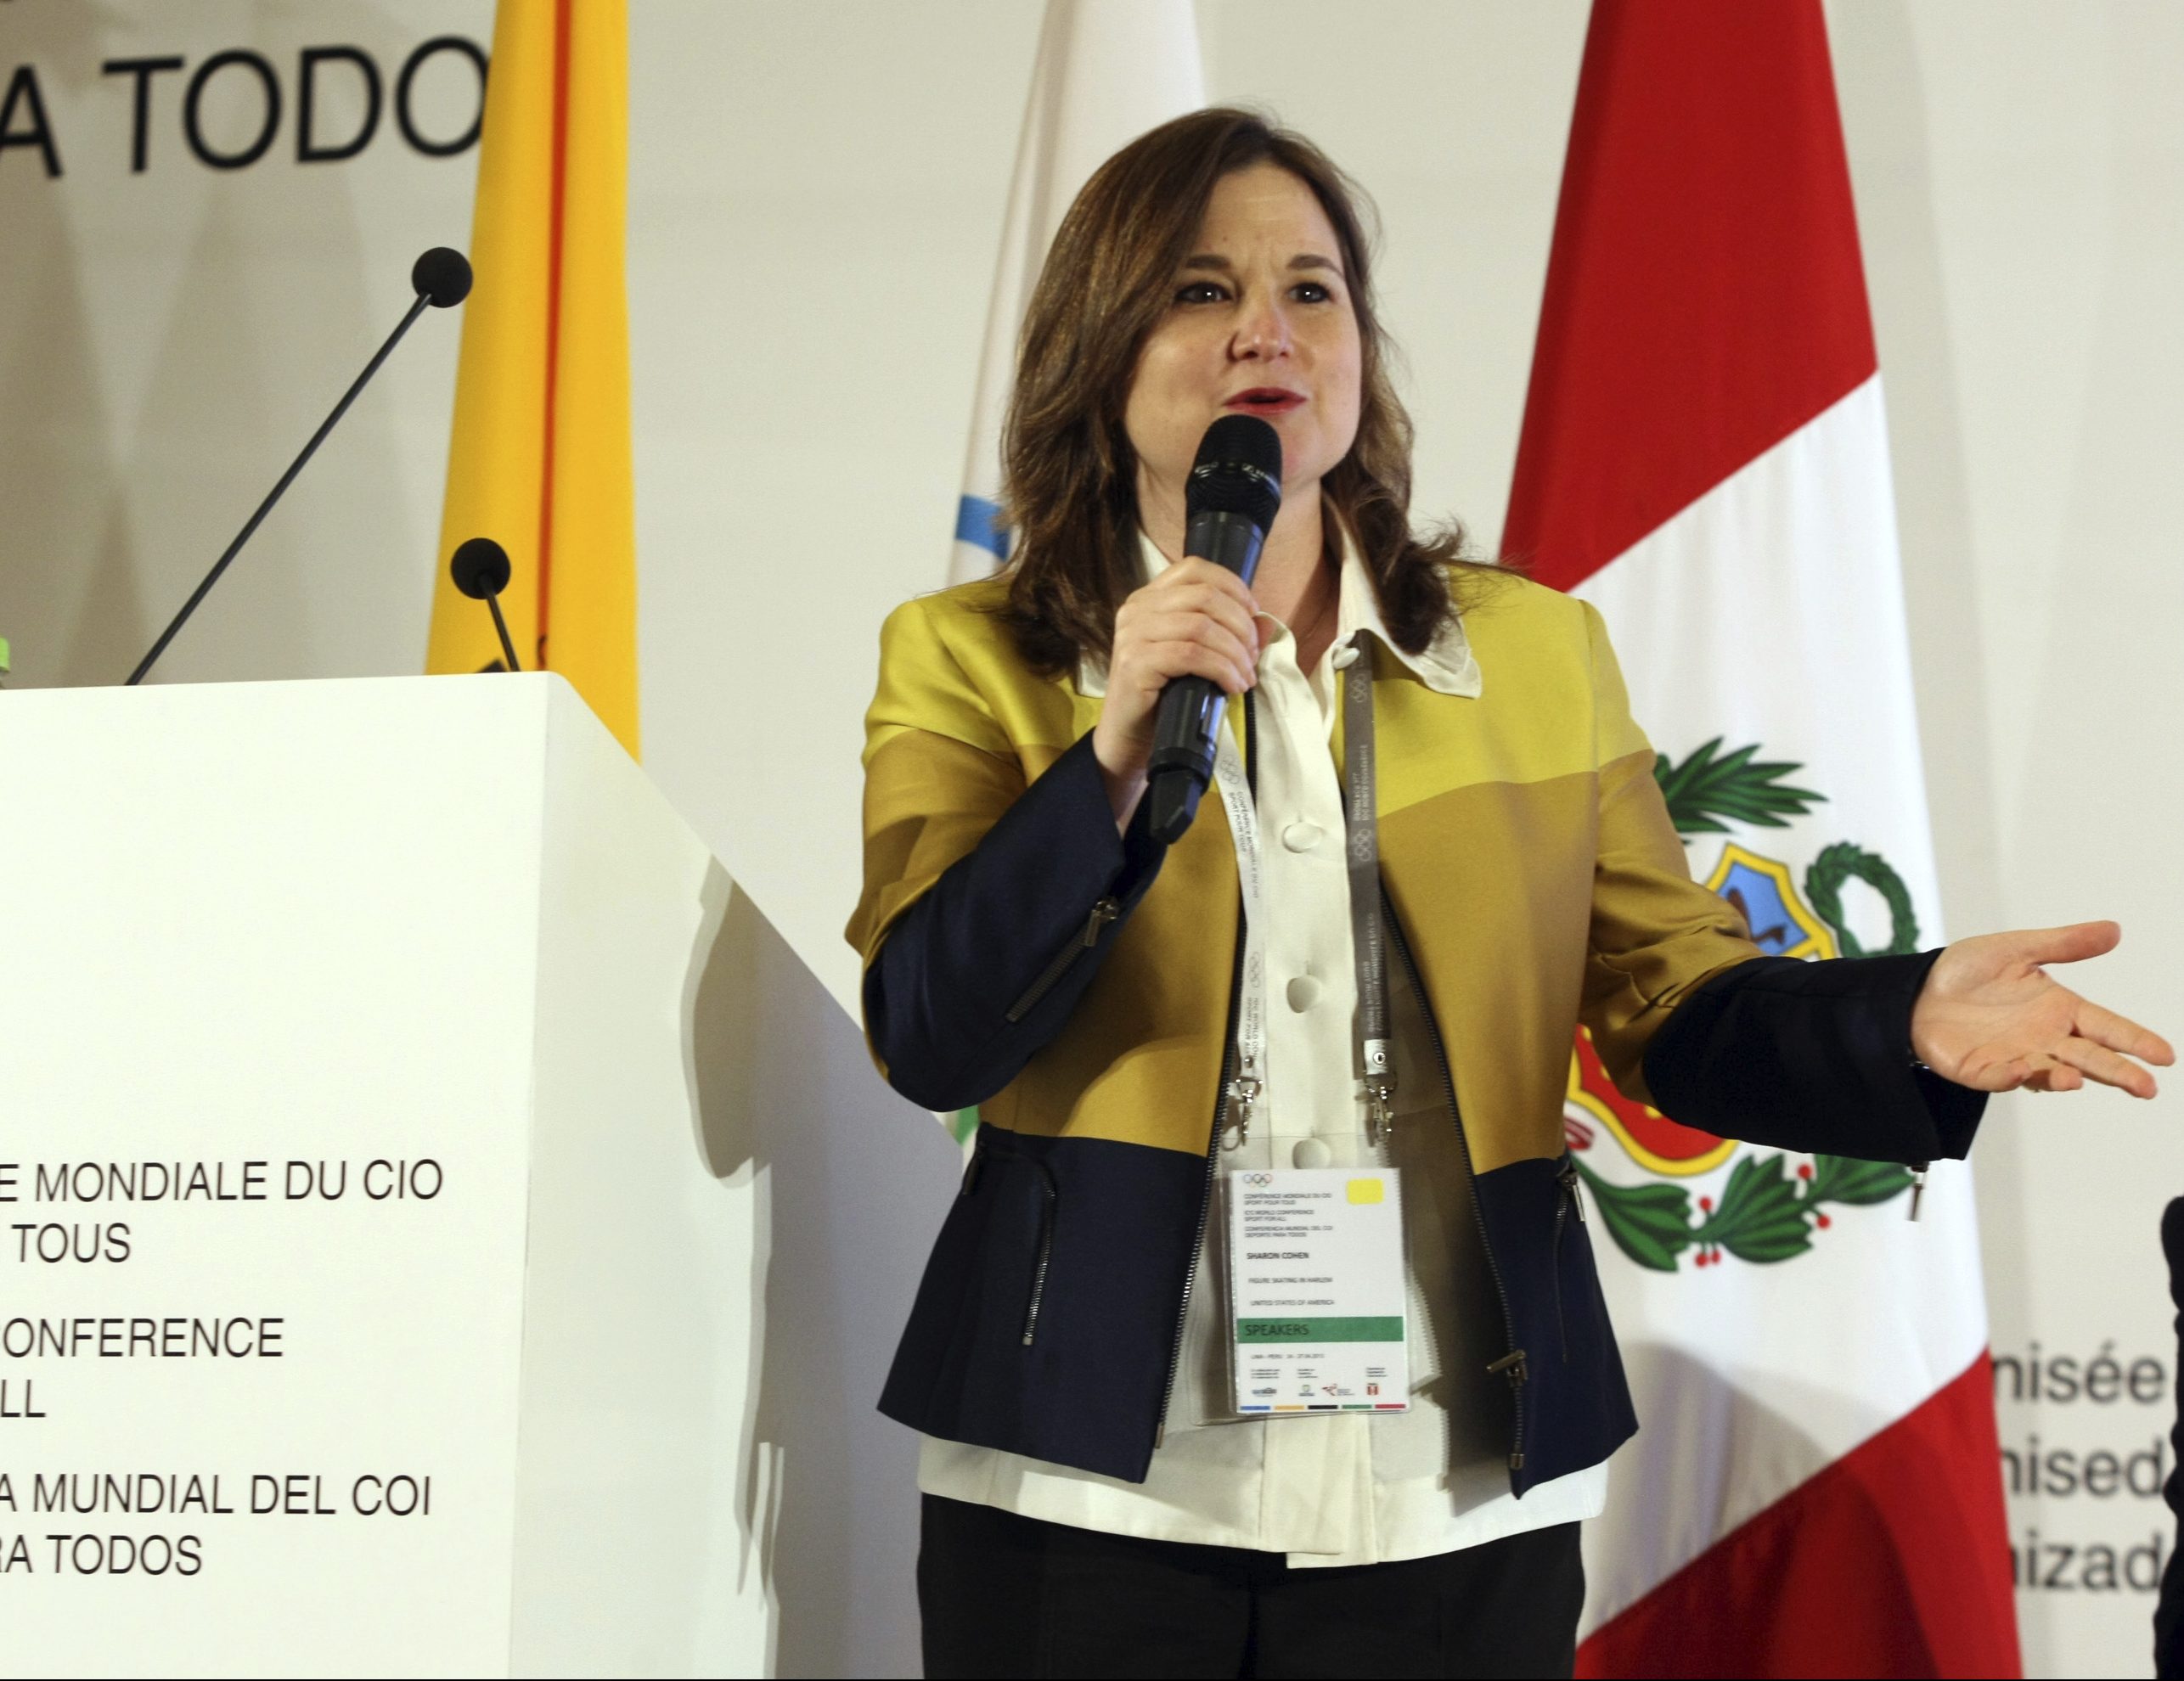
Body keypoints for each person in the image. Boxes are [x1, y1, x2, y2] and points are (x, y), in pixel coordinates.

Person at [845, 109, 2170, 1680]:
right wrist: (1114, 760)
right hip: (1082, 1500)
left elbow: (1672, 1008)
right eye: (1202, 290)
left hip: (1448, 1507)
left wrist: (1903, 1020)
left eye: (1313, 288)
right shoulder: (973, 654)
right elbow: (931, 1031)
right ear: (1100, 347)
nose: (1268, 328)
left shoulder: (1532, 656)